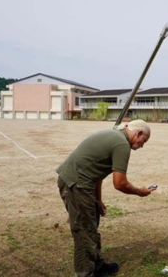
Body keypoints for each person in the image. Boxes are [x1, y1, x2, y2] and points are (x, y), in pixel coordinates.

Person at [56, 119, 155, 277]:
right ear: (139, 133)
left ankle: (97, 265)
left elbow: (97, 174)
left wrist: (98, 200)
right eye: (144, 140)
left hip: (82, 183)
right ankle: (85, 273)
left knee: (91, 225)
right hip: (76, 184)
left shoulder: (115, 136)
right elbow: (120, 183)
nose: (142, 145)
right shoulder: (122, 144)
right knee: (84, 232)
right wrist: (139, 192)